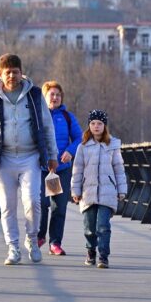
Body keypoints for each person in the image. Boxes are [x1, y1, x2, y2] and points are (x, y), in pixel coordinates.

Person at [0, 54, 58, 265]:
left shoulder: (35, 95)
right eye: (7, 72)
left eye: (15, 71)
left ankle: (32, 240)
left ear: (22, 72)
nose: (12, 75)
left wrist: (53, 155)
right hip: (4, 159)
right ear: (0, 74)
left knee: (34, 202)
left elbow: (47, 127)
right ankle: (13, 247)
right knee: (7, 206)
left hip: (31, 157)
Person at [71, 110, 127, 269]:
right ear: (89, 126)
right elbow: (77, 170)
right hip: (88, 193)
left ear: (105, 126)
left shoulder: (113, 145)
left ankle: (103, 256)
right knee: (89, 227)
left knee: (103, 226)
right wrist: (76, 191)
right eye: (93, 123)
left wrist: (121, 190)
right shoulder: (82, 147)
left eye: (100, 123)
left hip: (107, 193)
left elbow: (119, 168)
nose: (96, 126)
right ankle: (90, 251)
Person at [37, 81, 83, 256]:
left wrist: (70, 152)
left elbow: (79, 138)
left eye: (58, 94)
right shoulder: (38, 116)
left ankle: (55, 243)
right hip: (42, 169)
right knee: (41, 203)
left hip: (60, 170)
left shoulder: (67, 117)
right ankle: (40, 236)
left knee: (59, 207)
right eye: (51, 94)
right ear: (45, 97)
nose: (55, 97)